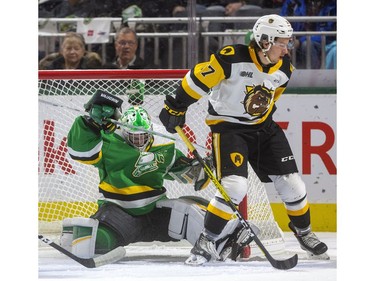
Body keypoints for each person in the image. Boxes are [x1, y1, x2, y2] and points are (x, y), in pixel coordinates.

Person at [159, 14, 328, 265]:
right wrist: (175, 106)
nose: (287, 48)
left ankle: (304, 234)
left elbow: (271, 99)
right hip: (229, 130)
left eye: (288, 43)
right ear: (265, 41)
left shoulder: (284, 68)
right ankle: (207, 238)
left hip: (265, 129)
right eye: (282, 42)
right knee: (234, 186)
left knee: (293, 185)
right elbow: (196, 78)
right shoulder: (231, 57)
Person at [61, 90, 257, 260]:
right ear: (124, 131)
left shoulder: (164, 147)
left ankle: (226, 237)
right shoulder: (109, 142)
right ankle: (75, 233)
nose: (138, 141)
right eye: (133, 136)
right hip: (119, 211)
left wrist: (209, 162)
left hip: (156, 212)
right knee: (97, 244)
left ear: (151, 132)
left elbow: (190, 176)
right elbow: (79, 151)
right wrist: (89, 125)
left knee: (187, 213)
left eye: (142, 136)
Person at [280, 0, 337, 69]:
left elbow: (329, 32)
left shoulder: (333, 4)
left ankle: (313, 77)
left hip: (323, 43)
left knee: (307, 44)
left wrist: (300, 41)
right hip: (294, 40)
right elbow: (282, 26)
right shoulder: (292, 3)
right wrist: (289, 42)